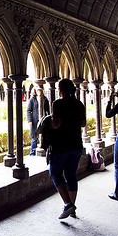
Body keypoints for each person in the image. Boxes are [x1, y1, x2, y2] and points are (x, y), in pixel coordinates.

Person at [47, 79, 86, 219]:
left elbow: (56, 124)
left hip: (61, 145)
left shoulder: (57, 103)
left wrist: (49, 123)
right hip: (76, 144)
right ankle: (72, 208)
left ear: (61, 90)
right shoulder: (79, 104)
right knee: (71, 175)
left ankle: (68, 204)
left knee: (55, 173)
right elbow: (83, 123)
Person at [26, 87, 50, 156]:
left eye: (40, 90)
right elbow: (28, 110)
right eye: (37, 90)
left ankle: (44, 150)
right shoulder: (32, 100)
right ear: (35, 91)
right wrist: (29, 120)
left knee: (44, 136)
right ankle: (32, 153)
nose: (39, 91)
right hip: (34, 121)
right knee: (34, 137)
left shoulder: (45, 99)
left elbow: (48, 110)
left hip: (43, 120)